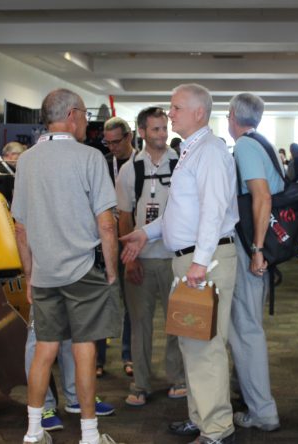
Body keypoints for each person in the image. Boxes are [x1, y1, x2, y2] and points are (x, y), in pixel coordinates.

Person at [121, 83, 239, 444]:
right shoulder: (190, 151)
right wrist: (146, 233)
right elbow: (179, 213)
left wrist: (200, 264)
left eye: (176, 108)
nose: (169, 115)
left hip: (206, 259)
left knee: (206, 347)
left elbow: (213, 211)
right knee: (192, 345)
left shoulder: (211, 152)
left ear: (199, 113)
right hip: (191, 258)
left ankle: (217, 430)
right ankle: (202, 419)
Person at [13, 88, 122, 444]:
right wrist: (111, 270)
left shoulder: (26, 161)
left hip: (44, 272)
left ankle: (33, 432)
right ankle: (89, 435)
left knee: (45, 347)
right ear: (73, 115)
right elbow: (106, 223)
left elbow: (21, 227)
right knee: (84, 347)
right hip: (83, 270)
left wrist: (29, 276)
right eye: (84, 117)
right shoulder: (90, 158)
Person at [115, 106, 185, 406]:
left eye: (164, 128)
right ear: (142, 132)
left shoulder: (181, 163)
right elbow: (124, 215)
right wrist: (130, 258)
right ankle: (141, 383)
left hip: (174, 257)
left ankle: (178, 379)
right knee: (140, 323)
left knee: (177, 323)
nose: (162, 134)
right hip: (141, 258)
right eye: (155, 129)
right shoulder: (130, 169)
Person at [226, 93, 282, 432]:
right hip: (256, 246)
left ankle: (263, 411)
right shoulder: (263, 143)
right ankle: (251, 399)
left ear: (232, 115)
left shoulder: (246, 146)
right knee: (248, 328)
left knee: (246, 331)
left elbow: (261, 195)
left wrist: (257, 249)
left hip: (250, 247)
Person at [100, 116, 136, 377]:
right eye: (108, 143)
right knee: (102, 302)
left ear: (129, 136)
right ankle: (98, 359)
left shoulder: (141, 164)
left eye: (116, 142)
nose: (112, 148)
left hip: (132, 240)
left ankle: (129, 355)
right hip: (104, 240)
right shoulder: (101, 163)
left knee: (131, 303)